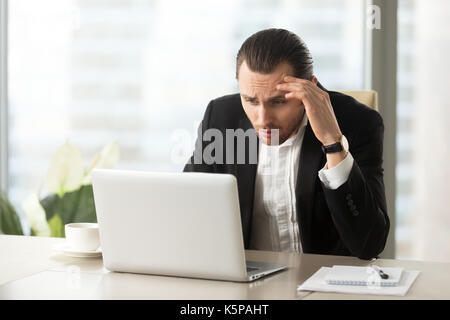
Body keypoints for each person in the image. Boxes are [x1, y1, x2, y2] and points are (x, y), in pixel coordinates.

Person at [184, 28, 389, 260]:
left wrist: (332, 143)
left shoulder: (356, 123)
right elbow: (188, 210)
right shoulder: (222, 119)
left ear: (308, 89)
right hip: (248, 284)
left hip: (325, 286)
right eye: (250, 100)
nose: (262, 120)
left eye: (278, 101)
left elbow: (369, 244)